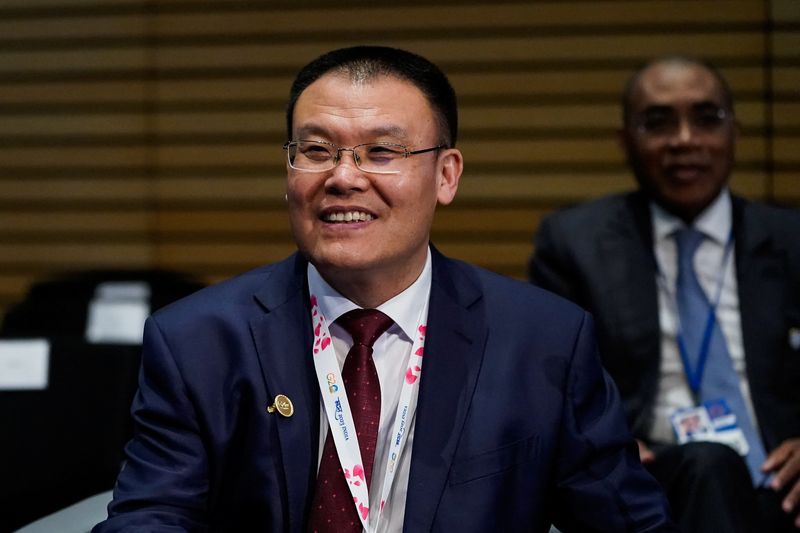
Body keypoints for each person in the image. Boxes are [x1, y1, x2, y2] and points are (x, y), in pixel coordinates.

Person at [93, 45, 676, 532]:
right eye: (316, 151)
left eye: (382, 152)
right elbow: (151, 518)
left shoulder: (543, 339)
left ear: (446, 175)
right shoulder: (197, 341)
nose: (344, 177)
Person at [529, 55, 800, 533]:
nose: (684, 140)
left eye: (706, 118)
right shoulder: (577, 243)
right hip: (652, 479)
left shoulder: (791, 240)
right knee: (709, 464)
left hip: (783, 481)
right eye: (658, 122)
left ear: (734, 132)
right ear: (625, 142)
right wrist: (603, 446)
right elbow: (548, 385)